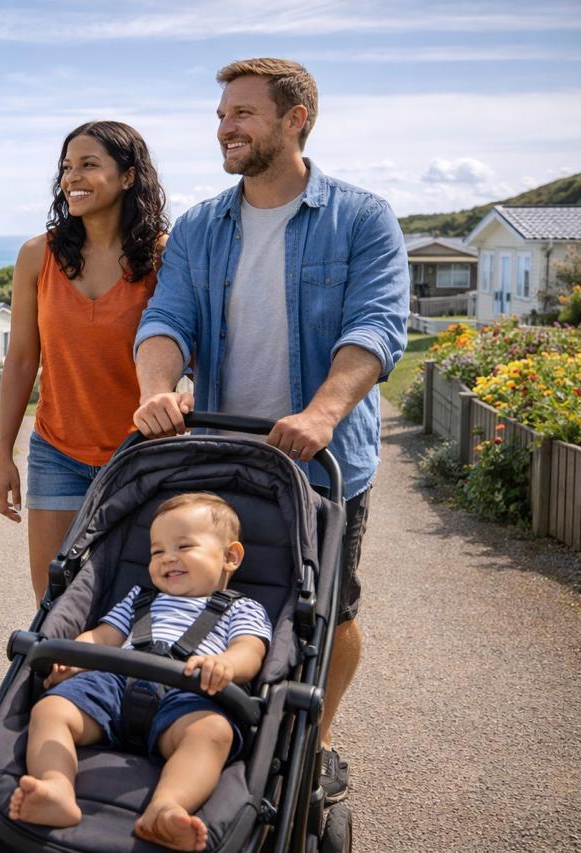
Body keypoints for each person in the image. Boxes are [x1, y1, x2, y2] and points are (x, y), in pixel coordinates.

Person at [130, 57, 409, 805]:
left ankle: (314, 737)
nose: (226, 127)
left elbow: (376, 327)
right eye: (222, 114)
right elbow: (166, 320)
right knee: (227, 597)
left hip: (323, 463)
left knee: (329, 608)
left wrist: (321, 413)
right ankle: (209, 724)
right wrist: (156, 390)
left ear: (296, 120)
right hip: (223, 456)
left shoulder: (360, 218)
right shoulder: (200, 226)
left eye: (243, 113)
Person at [9, 493, 271, 852]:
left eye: (183, 546)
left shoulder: (242, 609)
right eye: (157, 551)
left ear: (230, 557)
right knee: (50, 710)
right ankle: (56, 786)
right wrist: (76, 655)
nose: (168, 558)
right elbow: (104, 636)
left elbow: (250, 651)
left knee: (213, 733)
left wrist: (227, 664)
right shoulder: (140, 598)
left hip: (188, 696)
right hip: (113, 686)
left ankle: (167, 807)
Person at [0, 120, 169, 603]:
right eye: (68, 167)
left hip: (143, 454)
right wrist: (3, 453)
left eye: (89, 165)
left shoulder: (162, 256)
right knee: (53, 605)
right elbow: (23, 359)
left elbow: (185, 349)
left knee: (133, 605)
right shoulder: (37, 255)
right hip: (57, 454)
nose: (73, 177)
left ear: (128, 176)